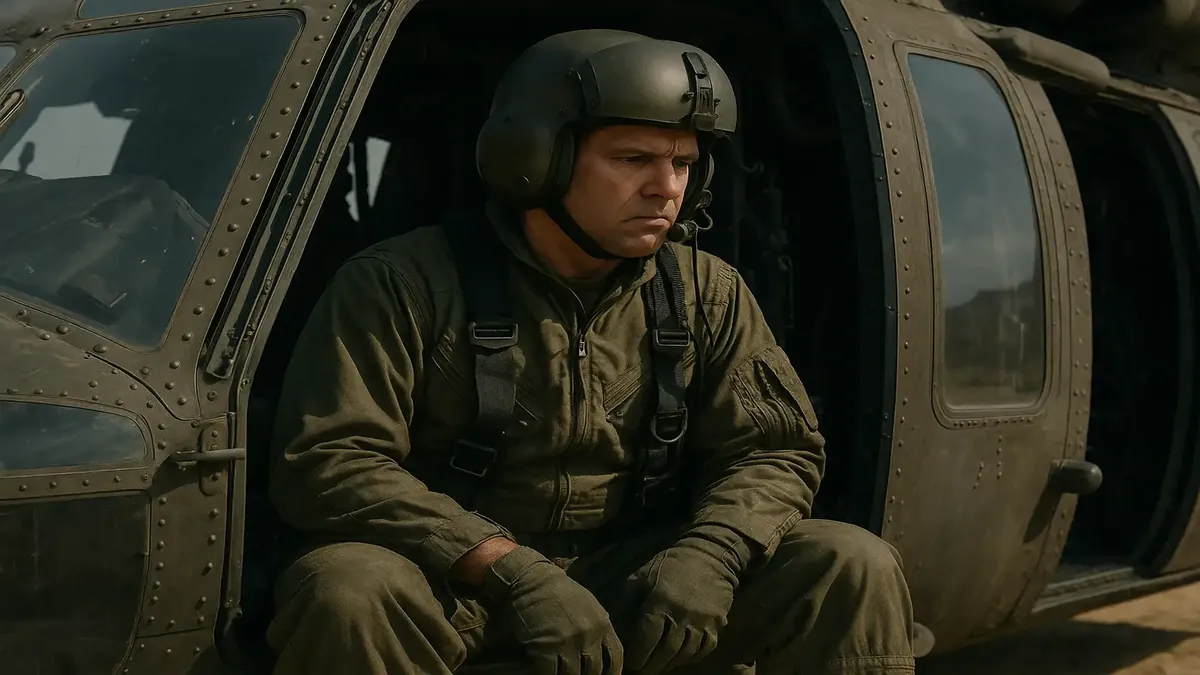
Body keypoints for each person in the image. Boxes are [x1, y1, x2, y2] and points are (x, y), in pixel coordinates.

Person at [265, 28, 916, 675]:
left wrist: (713, 553)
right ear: (538, 157)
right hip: (455, 583)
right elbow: (330, 459)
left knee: (849, 565)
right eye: (633, 159)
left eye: (683, 164)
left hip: (640, 578)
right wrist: (509, 569)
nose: (666, 187)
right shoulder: (400, 283)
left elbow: (776, 447)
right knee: (344, 589)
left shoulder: (706, 291)